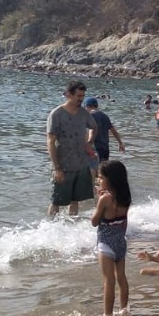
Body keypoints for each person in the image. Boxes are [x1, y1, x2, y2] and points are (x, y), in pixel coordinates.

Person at [47, 80, 98, 217]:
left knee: (75, 200)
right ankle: (51, 227)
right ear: (69, 95)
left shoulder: (84, 113)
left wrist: (89, 142)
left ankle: (72, 225)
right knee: (56, 201)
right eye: (78, 96)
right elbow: (50, 142)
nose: (81, 99)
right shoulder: (56, 114)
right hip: (63, 165)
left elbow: (94, 127)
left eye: (83, 96)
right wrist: (57, 168)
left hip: (81, 164)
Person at [91, 160, 131, 316]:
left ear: (110, 179)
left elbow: (94, 221)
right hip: (120, 242)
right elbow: (124, 221)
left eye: (101, 177)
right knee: (121, 277)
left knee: (108, 280)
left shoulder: (105, 199)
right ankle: (124, 310)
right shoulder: (125, 197)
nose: (99, 180)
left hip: (106, 243)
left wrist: (98, 200)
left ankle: (107, 315)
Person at [84, 97, 126, 179]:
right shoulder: (105, 116)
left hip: (95, 147)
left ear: (88, 106)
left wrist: (87, 145)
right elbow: (113, 130)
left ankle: (95, 186)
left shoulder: (89, 116)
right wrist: (120, 142)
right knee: (103, 170)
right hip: (105, 148)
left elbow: (89, 132)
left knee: (94, 169)